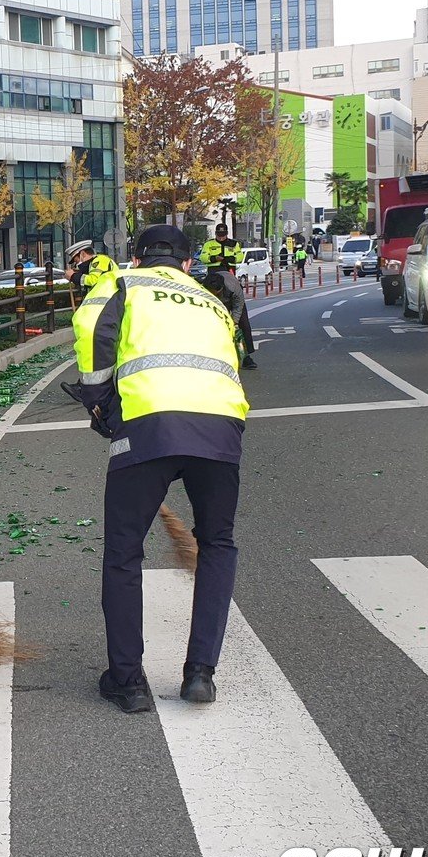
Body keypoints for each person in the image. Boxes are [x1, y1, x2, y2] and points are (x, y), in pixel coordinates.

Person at [65, 224, 250, 714]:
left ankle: (128, 683)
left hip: (148, 423)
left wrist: (100, 402)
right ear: (188, 263)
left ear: (140, 258)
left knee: (124, 553)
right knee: (217, 544)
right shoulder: (209, 299)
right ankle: (200, 674)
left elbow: (91, 328)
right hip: (221, 427)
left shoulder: (124, 283)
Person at [201, 225, 257, 370]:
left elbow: (239, 257)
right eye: (218, 234)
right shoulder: (209, 244)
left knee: (244, 324)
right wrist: (214, 257)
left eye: (223, 234)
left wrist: (235, 321)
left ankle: (246, 357)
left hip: (230, 275)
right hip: (213, 276)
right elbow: (202, 257)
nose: (221, 236)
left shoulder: (233, 244)